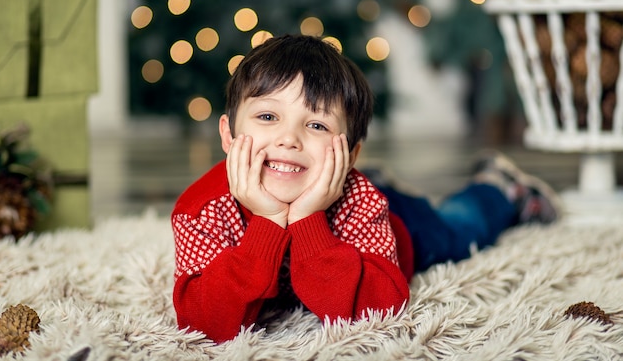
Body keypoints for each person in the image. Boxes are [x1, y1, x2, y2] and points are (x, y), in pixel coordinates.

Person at [171, 34, 560, 344]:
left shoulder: (360, 201)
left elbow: (379, 310)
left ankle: (499, 188)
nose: (289, 138)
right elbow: (204, 324)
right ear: (228, 134)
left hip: (397, 221)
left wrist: (306, 220)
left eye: (317, 125)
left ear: (350, 153)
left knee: (457, 229)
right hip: (340, 179)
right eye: (268, 116)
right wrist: (269, 222)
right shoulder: (202, 209)